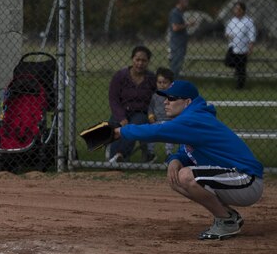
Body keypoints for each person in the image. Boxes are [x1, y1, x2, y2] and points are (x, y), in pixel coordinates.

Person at [115, 80, 264, 240]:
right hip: (235, 179)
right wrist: (174, 160)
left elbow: (156, 131)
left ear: (187, 102)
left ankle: (226, 221)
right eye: (166, 98)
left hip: (246, 180)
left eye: (171, 98)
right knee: (176, 178)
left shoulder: (193, 119)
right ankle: (228, 215)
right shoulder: (193, 117)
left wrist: (119, 132)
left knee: (186, 176)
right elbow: (185, 151)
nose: (166, 102)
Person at [107, 45, 157, 164]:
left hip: (141, 112)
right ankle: (115, 157)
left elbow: (156, 99)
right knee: (115, 124)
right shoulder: (120, 76)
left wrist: (151, 114)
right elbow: (113, 99)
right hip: (122, 111)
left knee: (134, 127)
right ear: (132, 59)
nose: (140, 63)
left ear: (148, 62)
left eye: (144, 60)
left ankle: (119, 155)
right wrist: (122, 117)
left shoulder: (151, 79)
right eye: (137, 59)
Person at [145, 67, 175, 162]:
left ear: (171, 84)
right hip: (156, 121)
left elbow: (177, 110)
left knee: (169, 138)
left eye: (165, 82)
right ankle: (150, 154)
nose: (162, 85)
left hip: (169, 122)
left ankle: (169, 154)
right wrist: (151, 116)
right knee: (150, 136)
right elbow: (150, 108)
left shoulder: (173, 96)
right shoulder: (155, 96)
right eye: (159, 82)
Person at [224, 1, 256, 90]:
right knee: (228, 62)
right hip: (233, 46)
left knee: (241, 68)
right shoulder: (232, 21)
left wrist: (251, 46)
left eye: (238, 9)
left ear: (243, 10)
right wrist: (227, 35)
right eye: (235, 9)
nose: (236, 11)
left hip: (243, 47)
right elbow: (227, 32)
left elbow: (252, 34)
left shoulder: (248, 21)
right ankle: (237, 72)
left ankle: (239, 87)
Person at [167, 0, 195, 78]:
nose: (187, 3)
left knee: (178, 64)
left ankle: (174, 80)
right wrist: (188, 24)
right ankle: (172, 81)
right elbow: (175, 27)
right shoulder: (175, 12)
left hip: (180, 43)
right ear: (180, 1)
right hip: (177, 43)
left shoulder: (180, 12)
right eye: (185, 1)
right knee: (175, 64)